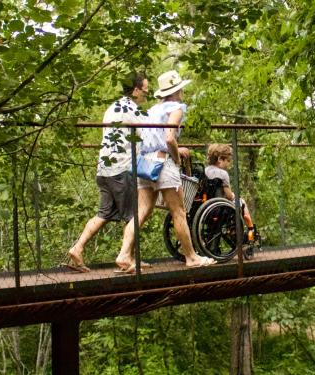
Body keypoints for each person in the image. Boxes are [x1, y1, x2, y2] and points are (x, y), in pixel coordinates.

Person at [115, 70, 216, 271]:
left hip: (145, 164)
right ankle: (192, 257)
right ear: (177, 90)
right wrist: (177, 159)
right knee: (179, 211)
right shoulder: (177, 108)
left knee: (142, 210)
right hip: (163, 162)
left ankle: (124, 254)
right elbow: (170, 138)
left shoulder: (151, 110)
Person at [65, 73, 149, 273]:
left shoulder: (112, 108)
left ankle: (77, 247)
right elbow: (145, 136)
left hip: (104, 168)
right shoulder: (131, 110)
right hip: (122, 168)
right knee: (133, 215)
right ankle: (127, 258)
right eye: (146, 90)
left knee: (104, 214)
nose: (147, 94)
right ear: (136, 90)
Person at [204, 143, 261, 253]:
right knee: (242, 202)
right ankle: (250, 231)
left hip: (206, 207)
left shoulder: (205, 171)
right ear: (220, 159)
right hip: (220, 208)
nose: (229, 164)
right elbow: (229, 195)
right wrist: (235, 195)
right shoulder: (223, 174)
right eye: (228, 160)